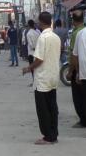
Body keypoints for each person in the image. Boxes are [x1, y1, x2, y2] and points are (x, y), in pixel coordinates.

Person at [22, 12, 61, 145]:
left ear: (41, 22)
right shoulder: (56, 37)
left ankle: (48, 136)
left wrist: (29, 68)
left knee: (43, 109)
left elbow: (39, 59)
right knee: (52, 108)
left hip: (43, 78)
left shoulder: (43, 38)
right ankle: (53, 134)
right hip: (53, 76)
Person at [66, 9, 86, 128]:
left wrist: (70, 71)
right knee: (85, 96)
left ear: (73, 20)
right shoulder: (85, 30)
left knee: (78, 97)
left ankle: (83, 119)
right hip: (85, 67)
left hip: (77, 68)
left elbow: (74, 55)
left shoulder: (76, 33)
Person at [26, 19, 40, 84]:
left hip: (31, 53)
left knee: (32, 67)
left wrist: (34, 48)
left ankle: (34, 81)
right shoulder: (37, 32)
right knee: (37, 67)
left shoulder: (29, 33)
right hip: (38, 52)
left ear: (28, 25)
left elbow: (31, 45)